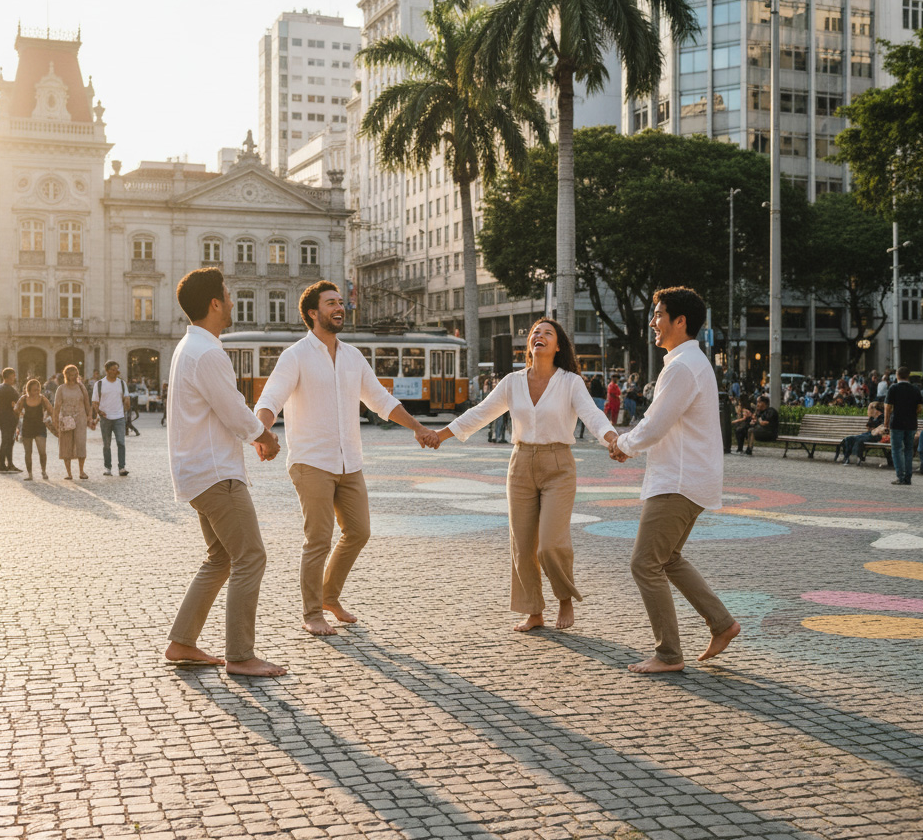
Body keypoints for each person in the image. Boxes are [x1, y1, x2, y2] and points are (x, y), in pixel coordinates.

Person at [254, 279, 439, 637]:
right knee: (319, 539)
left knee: (359, 531)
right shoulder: (296, 356)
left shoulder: (354, 356)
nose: (340, 307)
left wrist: (417, 427)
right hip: (311, 461)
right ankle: (312, 613)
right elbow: (270, 398)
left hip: (349, 462)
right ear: (313, 312)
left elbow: (381, 401)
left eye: (340, 302)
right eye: (331, 303)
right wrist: (262, 433)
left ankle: (329, 597)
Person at [434, 318, 617, 632]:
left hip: (558, 466)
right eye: (535, 332)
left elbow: (592, 415)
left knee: (550, 544)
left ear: (557, 346)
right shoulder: (512, 382)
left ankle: (564, 598)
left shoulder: (570, 382)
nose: (539, 336)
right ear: (529, 344)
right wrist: (441, 435)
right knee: (522, 544)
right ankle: (533, 611)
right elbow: (481, 413)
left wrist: (612, 439)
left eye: (547, 333)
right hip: (520, 465)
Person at [609, 287, 740, 674]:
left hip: (678, 482)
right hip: (688, 478)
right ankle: (722, 624)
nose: (653, 322)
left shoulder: (682, 366)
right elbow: (658, 423)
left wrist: (623, 445)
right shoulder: (690, 362)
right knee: (667, 559)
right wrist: (629, 444)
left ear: (680, 322)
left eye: (659, 315)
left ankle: (669, 654)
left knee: (644, 564)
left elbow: (655, 425)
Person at [165, 267, 285, 677]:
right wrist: (264, 437)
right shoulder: (208, 352)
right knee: (251, 556)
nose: (233, 302)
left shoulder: (189, 347)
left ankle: (182, 641)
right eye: (229, 296)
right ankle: (241, 655)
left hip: (198, 471)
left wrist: (255, 434)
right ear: (215, 303)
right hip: (216, 473)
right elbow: (232, 408)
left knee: (220, 558)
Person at [884, 365, 923, 486]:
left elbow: (887, 408)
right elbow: (920, 408)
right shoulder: (915, 389)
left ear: (897, 375)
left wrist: (886, 424)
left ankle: (900, 476)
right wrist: (911, 413)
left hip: (897, 423)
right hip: (911, 424)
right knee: (908, 450)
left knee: (896, 450)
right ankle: (908, 477)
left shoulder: (893, 388)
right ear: (908, 376)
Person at [91, 360, 131, 476]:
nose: (116, 371)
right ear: (107, 370)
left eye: (117, 369)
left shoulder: (122, 383)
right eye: (113, 369)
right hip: (105, 418)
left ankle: (122, 467)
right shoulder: (99, 384)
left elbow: (126, 398)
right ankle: (107, 467)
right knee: (106, 444)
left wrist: (126, 406)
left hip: (119, 417)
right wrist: (99, 412)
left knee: (121, 442)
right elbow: (94, 401)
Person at [54, 364, 93, 480]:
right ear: (66, 375)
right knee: (66, 444)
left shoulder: (81, 387)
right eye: (71, 375)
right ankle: (69, 473)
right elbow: (57, 406)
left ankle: (81, 471)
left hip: (80, 418)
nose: (74, 377)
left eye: (75, 374)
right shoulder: (61, 389)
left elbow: (87, 403)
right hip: (66, 419)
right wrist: (55, 420)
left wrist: (89, 417)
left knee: (81, 443)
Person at [15, 378, 55, 480]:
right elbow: (16, 411)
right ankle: (30, 474)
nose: (37, 392)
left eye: (38, 389)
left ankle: (43, 471)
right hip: (27, 427)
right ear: (29, 390)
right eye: (34, 390)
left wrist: (50, 419)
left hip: (39, 427)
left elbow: (51, 410)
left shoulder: (42, 399)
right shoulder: (23, 399)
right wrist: (17, 426)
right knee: (28, 452)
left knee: (42, 452)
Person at [836, 401, 886, 465]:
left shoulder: (882, 417)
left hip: (877, 436)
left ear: (875, 410)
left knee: (859, 440)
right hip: (869, 434)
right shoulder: (873, 418)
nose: (868, 411)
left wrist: (876, 430)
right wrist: (870, 419)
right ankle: (846, 457)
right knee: (849, 438)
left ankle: (855, 457)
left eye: (869, 409)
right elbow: (869, 429)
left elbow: (882, 429)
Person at [0, 368, 21, 473]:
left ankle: (6, 464)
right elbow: (18, 403)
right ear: (8, 377)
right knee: (9, 441)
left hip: (1, 417)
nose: (14, 378)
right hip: (10, 418)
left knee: (6, 441)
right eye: (13, 376)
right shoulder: (10, 390)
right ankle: (4, 465)